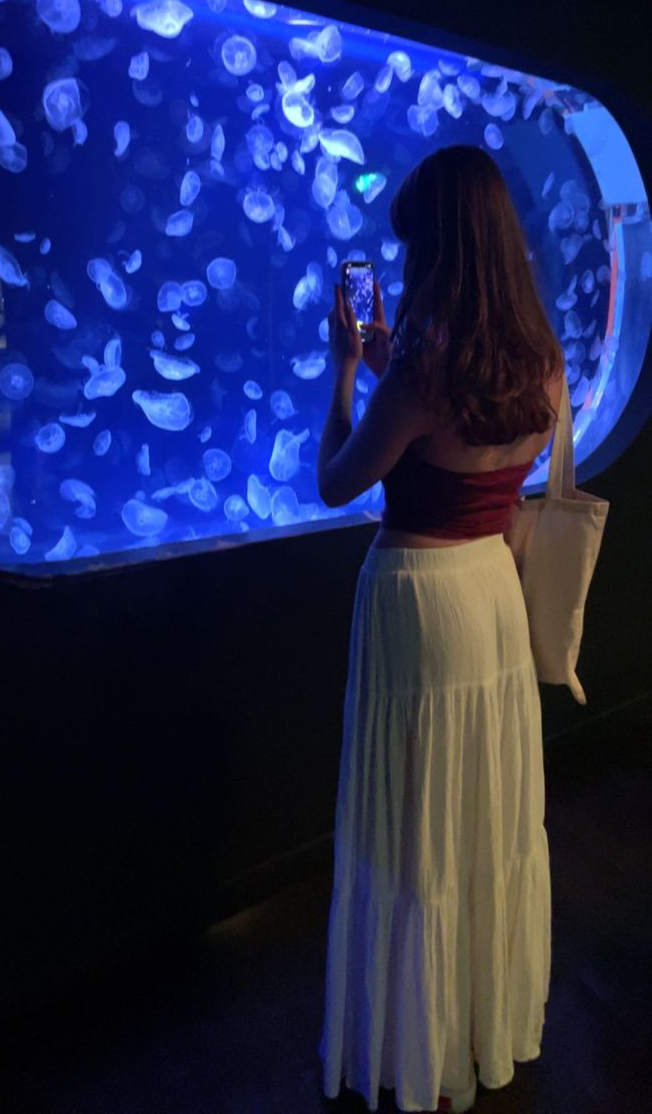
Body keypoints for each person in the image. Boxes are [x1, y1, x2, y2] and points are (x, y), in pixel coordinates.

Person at [317, 144, 564, 1113]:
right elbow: (494, 467)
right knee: (484, 812)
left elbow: (336, 480)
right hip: (492, 596)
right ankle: (481, 1018)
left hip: (420, 595)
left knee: (416, 824)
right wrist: (392, 370)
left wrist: (344, 373)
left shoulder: (420, 371)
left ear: (435, 249)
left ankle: (412, 1041)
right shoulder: (537, 363)